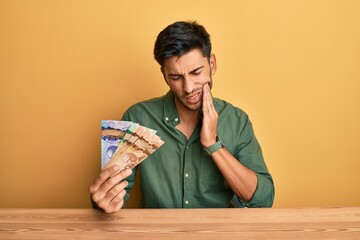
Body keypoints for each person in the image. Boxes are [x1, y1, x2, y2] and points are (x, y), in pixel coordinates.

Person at [89, 20, 275, 213]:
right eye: (176, 77)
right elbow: (111, 193)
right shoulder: (136, 117)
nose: (188, 88)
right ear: (164, 75)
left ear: (212, 64)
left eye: (196, 72)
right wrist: (103, 201)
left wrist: (213, 144)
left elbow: (263, 200)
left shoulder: (237, 121)